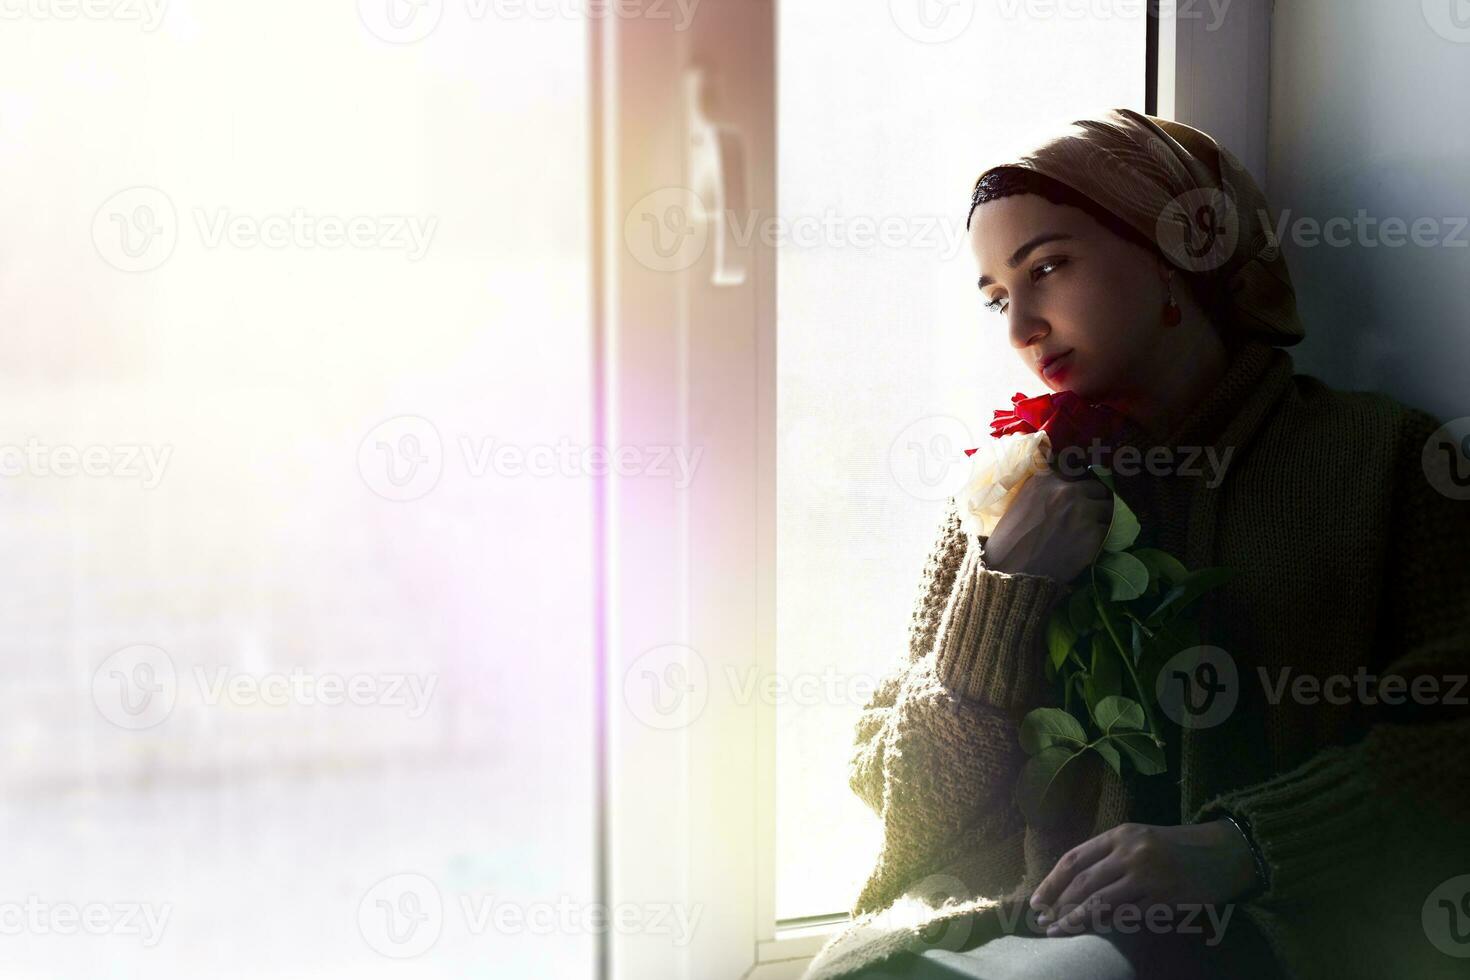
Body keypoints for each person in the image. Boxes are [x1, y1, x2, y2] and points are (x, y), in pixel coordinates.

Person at [800, 109, 1470, 980]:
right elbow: (908, 811)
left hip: (1269, 939)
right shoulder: (1007, 493)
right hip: (1000, 938)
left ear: (1173, 254)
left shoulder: (1387, 463)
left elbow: (1454, 744)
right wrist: (1001, 587)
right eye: (999, 297)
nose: (1020, 328)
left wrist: (1241, 847)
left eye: (1046, 267)